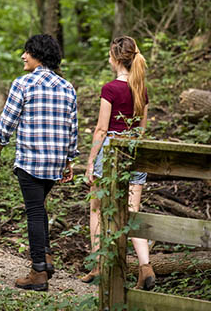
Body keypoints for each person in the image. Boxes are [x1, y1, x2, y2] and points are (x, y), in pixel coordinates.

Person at [0, 34, 78, 292]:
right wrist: (70, 160)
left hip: (30, 160)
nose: (23, 56)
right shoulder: (67, 87)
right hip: (55, 163)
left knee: (35, 212)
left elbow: (7, 122)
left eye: (27, 52)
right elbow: (73, 127)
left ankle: (38, 270)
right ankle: (46, 257)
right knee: (39, 208)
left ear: (38, 54)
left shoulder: (23, 84)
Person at [82, 36, 155, 291]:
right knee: (132, 212)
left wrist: (91, 162)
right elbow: (142, 130)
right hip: (135, 152)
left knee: (97, 207)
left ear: (114, 59)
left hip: (111, 152)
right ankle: (145, 266)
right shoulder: (141, 90)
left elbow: (101, 129)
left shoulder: (110, 89)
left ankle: (99, 265)